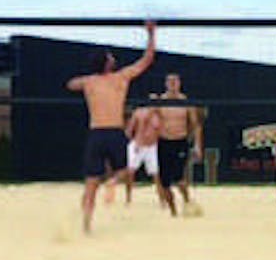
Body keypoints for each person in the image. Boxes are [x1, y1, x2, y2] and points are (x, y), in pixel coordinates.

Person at [67, 21, 156, 233]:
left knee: (90, 185)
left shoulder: (90, 82)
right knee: (126, 170)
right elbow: (146, 60)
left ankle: (86, 226)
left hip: (97, 133)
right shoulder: (120, 78)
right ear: (107, 63)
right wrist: (152, 35)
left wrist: (88, 79)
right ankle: (113, 181)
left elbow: (71, 84)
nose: (114, 58)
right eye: (110, 57)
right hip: (114, 131)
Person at [157, 72, 204, 216]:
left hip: (180, 141)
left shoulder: (186, 102)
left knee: (179, 178)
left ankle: (187, 200)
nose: (172, 84)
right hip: (163, 142)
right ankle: (173, 211)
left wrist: (197, 145)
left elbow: (196, 125)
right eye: (170, 81)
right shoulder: (160, 102)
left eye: (175, 81)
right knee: (164, 182)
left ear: (179, 83)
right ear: (165, 84)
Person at [123, 100, 163, 204]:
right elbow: (129, 130)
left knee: (156, 174)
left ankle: (162, 199)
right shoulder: (139, 113)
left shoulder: (160, 115)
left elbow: (160, 131)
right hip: (138, 145)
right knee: (131, 172)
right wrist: (136, 143)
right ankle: (128, 198)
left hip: (151, 147)